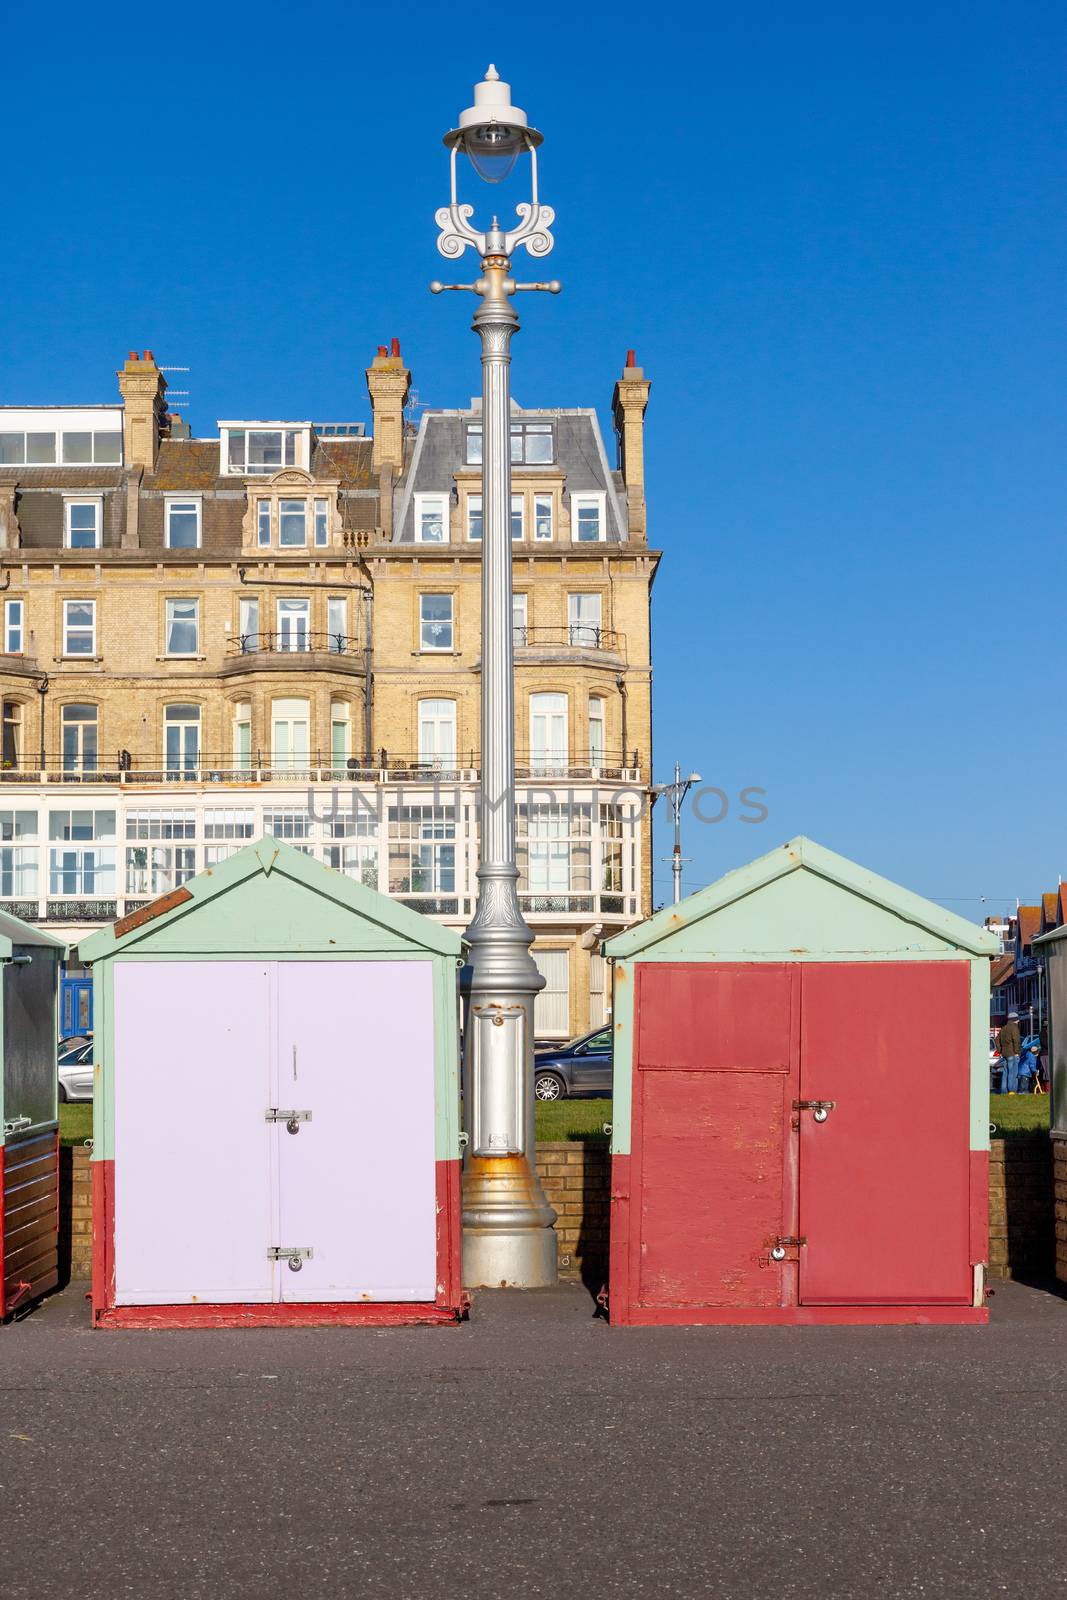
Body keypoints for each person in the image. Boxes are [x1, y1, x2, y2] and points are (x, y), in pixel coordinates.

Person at [996, 1012, 1022, 1095]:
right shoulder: (1014, 1028)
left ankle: (1004, 1092)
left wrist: (1000, 1050)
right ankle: (1012, 1091)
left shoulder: (1004, 1028)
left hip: (1005, 1054)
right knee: (1013, 1073)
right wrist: (1017, 1052)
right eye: (1017, 1019)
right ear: (1015, 1019)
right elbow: (1016, 1041)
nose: (1018, 1021)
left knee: (1005, 1072)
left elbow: (997, 1039)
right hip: (1013, 1054)